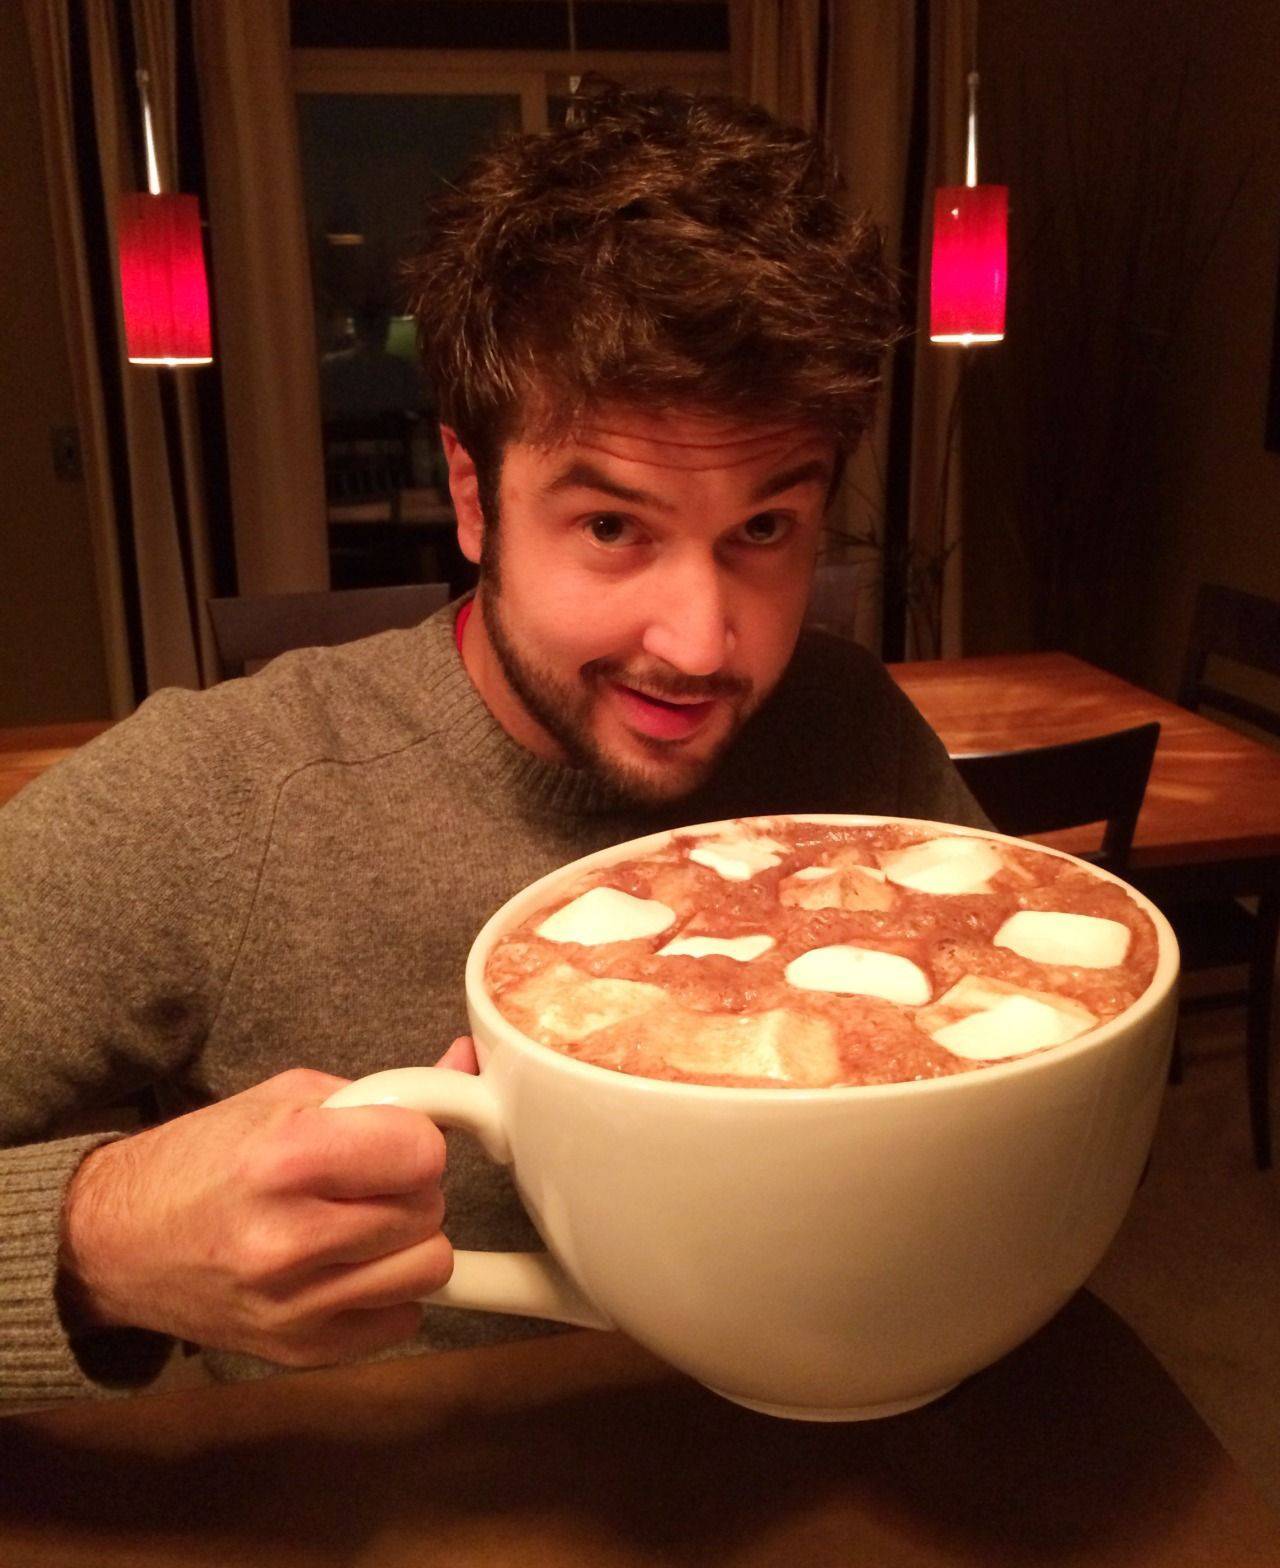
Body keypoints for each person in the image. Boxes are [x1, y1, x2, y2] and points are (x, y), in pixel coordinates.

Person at [0, 81, 986, 1403]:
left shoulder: (851, 720)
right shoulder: (226, 796)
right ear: (473, 495)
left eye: (763, 529)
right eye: (611, 527)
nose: (702, 643)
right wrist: (94, 1243)